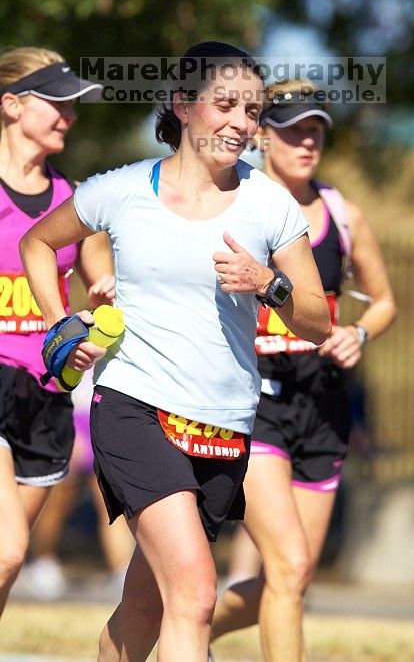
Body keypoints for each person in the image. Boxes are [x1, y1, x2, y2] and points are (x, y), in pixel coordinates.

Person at [19, 43, 331, 662]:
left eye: (252, 110)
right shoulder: (123, 189)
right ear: (184, 105)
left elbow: (320, 321)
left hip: (224, 424)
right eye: (225, 104)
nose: (240, 123)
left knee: (147, 603)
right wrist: (60, 326)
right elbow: (36, 242)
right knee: (194, 594)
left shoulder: (270, 203)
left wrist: (267, 283)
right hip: (134, 407)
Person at [210, 79, 397, 662]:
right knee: (287, 565)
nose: (307, 141)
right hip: (255, 404)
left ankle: (184, 626)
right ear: (262, 136)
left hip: (323, 406)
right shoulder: (233, 207)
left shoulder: (343, 214)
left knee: (292, 576)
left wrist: (359, 331)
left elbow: (384, 300)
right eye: (294, 129)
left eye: (316, 129)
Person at [0, 45, 114, 617]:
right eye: (57, 103)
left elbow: (105, 283)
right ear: (12, 106)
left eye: (74, 106)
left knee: (5, 564)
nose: (69, 116)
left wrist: (106, 303)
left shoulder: (75, 201)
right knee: (6, 550)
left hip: (46, 394)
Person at [22, 372, 135, 601]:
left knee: (111, 503)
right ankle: (44, 561)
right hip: (69, 411)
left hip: (105, 411)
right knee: (58, 498)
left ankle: (123, 572)